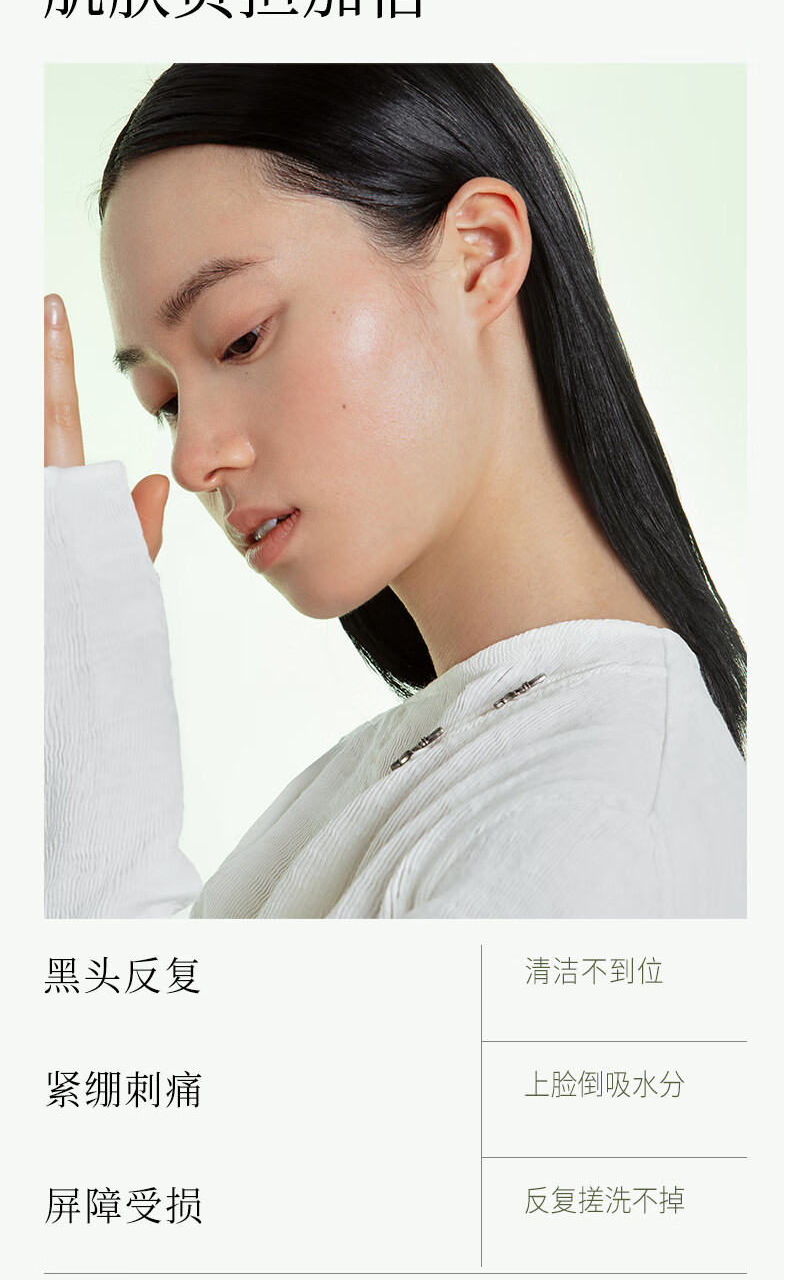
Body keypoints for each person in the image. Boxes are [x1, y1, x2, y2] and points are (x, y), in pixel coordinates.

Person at [44, 63, 746, 919]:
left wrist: (80, 716)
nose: (193, 460)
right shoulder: (430, 767)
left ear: (480, 254)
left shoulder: (597, 829)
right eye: (165, 401)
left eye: (241, 338)